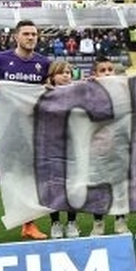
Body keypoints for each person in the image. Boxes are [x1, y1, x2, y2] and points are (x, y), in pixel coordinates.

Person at [0, 19, 50, 241]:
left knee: (27, 178)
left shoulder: (43, 63)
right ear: (16, 37)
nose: (31, 37)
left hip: (29, 131)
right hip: (2, 129)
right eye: (26, 34)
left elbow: (51, 90)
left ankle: (29, 225)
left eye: (34, 34)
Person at [89, 56, 130, 236]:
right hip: (97, 148)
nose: (107, 73)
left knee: (120, 185)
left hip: (120, 145)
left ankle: (121, 222)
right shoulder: (87, 92)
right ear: (95, 74)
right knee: (98, 185)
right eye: (102, 70)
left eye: (109, 70)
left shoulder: (123, 90)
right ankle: (98, 223)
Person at [45, 61, 81, 239]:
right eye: (61, 73)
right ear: (52, 76)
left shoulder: (77, 92)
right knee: (54, 186)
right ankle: (55, 223)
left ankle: (72, 222)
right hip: (51, 147)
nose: (66, 75)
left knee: (72, 186)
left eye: (68, 72)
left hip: (73, 146)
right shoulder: (43, 94)